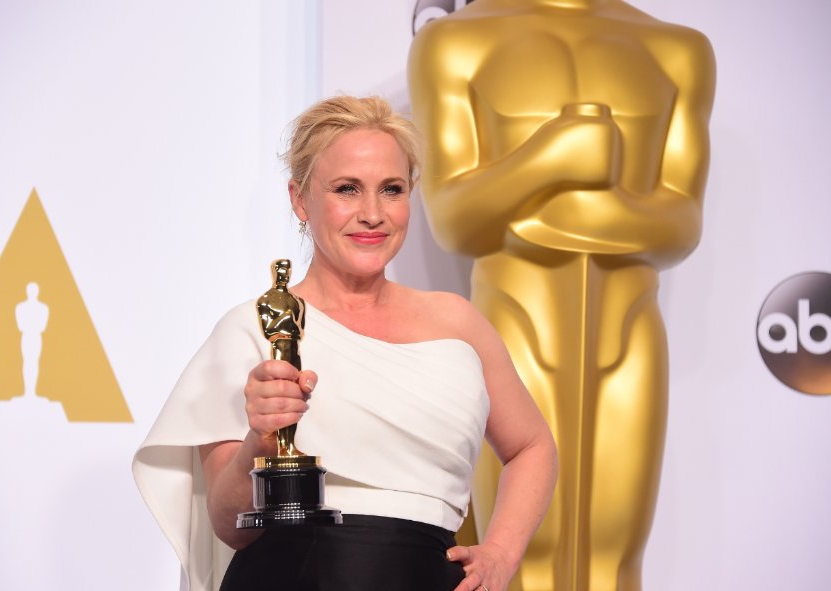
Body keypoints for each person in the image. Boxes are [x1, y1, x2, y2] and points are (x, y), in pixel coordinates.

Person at [133, 95, 557, 591]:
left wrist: (502, 553)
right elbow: (229, 525)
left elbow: (533, 446)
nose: (372, 214)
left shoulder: (458, 322)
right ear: (300, 200)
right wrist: (261, 442)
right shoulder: (255, 328)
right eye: (347, 189)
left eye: (392, 189)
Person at [408, 2, 716, 590]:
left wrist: (543, 214)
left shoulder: (678, 50)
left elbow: (681, 223)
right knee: (517, 550)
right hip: (512, 324)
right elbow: (455, 219)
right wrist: (552, 157)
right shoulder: (455, 42)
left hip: (629, 326)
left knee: (615, 549)